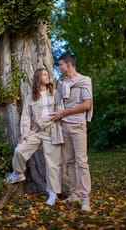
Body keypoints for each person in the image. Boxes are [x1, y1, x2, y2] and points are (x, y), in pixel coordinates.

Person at [5, 68, 64, 206]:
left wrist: (40, 122)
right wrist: (25, 134)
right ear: (38, 78)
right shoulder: (30, 97)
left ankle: (53, 194)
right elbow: (25, 117)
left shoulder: (55, 94)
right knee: (20, 150)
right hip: (35, 131)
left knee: (52, 164)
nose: (47, 76)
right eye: (44, 74)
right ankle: (18, 172)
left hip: (52, 130)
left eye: (47, 74)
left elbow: (59, 113)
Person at [50, 53, 93, 212]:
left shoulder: (84, 81)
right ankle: (74, 193)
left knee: (82, 162)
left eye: (61, 64)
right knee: (69, 162)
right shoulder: (61, 83)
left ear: (69, 65)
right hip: (64, 126)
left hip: (78, 125)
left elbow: (86, 105)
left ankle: (85, 199)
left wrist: (64, 113)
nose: (59, 67)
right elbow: (57, 102)